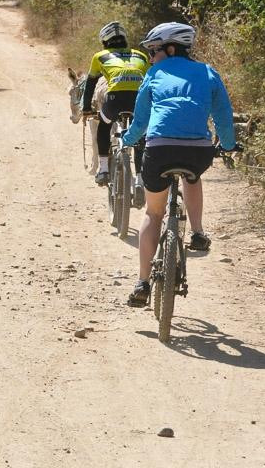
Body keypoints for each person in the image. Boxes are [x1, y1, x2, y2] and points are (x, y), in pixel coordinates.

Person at [120, 22, 237, 307]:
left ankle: (142, 282)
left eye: (154, 51)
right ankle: (197, 232)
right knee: (193, 177)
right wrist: (230, 145)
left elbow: (141, 119)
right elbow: (223, 113)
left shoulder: (154, 74)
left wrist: (128, 139)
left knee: (153, 212)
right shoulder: (208, 72)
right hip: (198, 151)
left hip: (159, 149)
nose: (151, 57)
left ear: (170, 49)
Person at [81, 22, 149, 196]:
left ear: (105, 42)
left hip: (114, 100)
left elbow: (91, 83)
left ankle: (103, 169)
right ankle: (141, 180)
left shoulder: (100, 56)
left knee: (104, 125)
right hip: (138, 100)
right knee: (140, 133)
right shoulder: (141, 55)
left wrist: (86, 108)